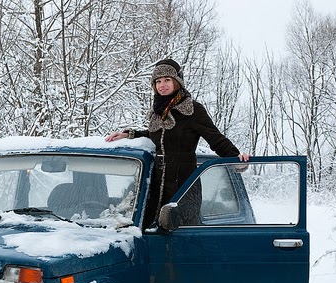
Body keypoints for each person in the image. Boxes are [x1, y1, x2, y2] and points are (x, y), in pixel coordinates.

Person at [105, 58, 250, 228]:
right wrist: (128, 134)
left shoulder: (192, 110)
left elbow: (214, 137)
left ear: (177, 81)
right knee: (150, 231)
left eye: (167, 80)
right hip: (157, 185)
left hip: (184, 185)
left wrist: (234, 156)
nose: (162, 85)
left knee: (181, 232)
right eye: (158, 81)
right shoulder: (157, 111)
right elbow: (156, 135)